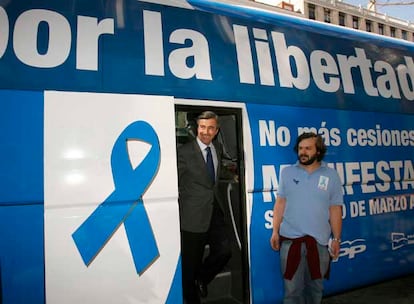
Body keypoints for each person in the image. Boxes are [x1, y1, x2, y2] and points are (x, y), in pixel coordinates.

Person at [270, 132, 343, 304]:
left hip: (319, 244)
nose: (303, 152)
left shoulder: (331, 175)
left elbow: (335, 209)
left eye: (308, 148)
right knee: (291, 292)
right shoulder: (287, 173)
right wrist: (275, 231)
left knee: (315, 291)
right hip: (290, 243)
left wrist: (337, 239)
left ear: (318, 151)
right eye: (301, 148)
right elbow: (280, 203)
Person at [177, 111, 232, 304]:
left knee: (225, 251)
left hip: (214, 211)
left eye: (210, 128)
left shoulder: (216, 147)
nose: (205, 132)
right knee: (189, 267)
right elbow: (174, 181)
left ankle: (202, 277)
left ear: (216, 131)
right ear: (196, 128)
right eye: (202, 127)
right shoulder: (183, 152)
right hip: (192, 216)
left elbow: (212, 178)